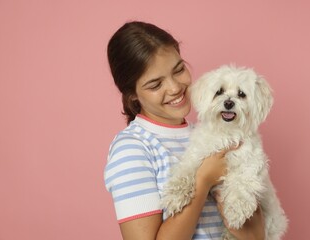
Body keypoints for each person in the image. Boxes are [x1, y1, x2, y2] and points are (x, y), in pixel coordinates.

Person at [104, 21, 265, 240]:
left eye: (178, 70)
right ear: (131, 94)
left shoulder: (216, 132)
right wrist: (204, 179)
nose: (174, 88)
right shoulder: (132, 149)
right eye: (155, 85)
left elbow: (256, 235)